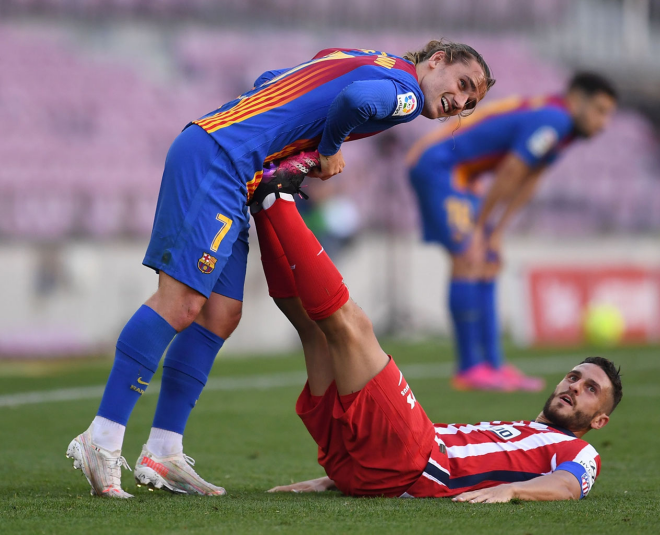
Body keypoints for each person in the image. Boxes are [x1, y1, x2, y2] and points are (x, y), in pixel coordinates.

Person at [66, 41, 495, 498]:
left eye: (470, 104)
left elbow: (271, 79)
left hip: (232, 164)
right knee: (182, 302)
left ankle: (163, 451)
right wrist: (328, 148)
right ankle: (102, 438)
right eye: (462, 85)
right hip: (220, 159)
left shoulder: (365, 57)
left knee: (220, 314)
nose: (460, 103)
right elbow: (354, 102)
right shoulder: (406, 94)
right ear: (435, 60)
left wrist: (279, 134)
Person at [251, 185, 622, 502]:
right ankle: (263, 210)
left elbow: (567, 486)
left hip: (414, 459)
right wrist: (335, 479)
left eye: (590, 389)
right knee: (313, 333)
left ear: (600, 420)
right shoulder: (525, 431)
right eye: (574, 377)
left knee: (353, 326)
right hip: (365, 467)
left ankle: (279, 199)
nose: (575, 386)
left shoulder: (582, 452)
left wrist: (512, 491)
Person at [407, 72, 618, 392]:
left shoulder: (563, 128)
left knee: (488, 257)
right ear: (578, 99)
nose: (604, 124)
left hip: (463, 171)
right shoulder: (555, 119)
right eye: (600, 111)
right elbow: (511, 171)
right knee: (468, 256)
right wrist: (481, 227)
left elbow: (530, 178)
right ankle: (469, 369)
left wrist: (496, 231)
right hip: (441, 165)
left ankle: (494, 364)